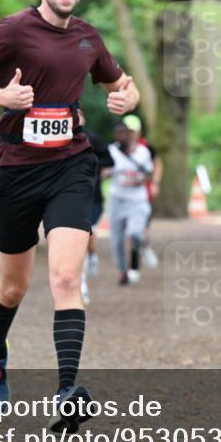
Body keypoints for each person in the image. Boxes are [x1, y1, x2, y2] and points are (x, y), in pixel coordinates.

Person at [0, 0, 140, 432]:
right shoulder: (11, 30)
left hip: (71, 165)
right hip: (15, 169)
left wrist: (125, 99)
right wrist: (1, 96)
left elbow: (123, 85)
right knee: (14, 286)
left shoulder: (88, 38)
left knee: (65, 278)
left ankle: (66, 392)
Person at [107, 121, 154, 285]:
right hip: (117, 200)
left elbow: (149, 173)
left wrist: (140, 179)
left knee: (135, 233)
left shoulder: (142, 152)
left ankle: (135, 265)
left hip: (137, 200)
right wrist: (104, 173)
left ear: (130, 134)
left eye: (124, 133)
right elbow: (104, 170)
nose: (121, 136)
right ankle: (123, 271)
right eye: (118, 133)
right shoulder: (111, 151)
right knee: (117, 241)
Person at [79, 109, 113, 306]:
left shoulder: (93, 138)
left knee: (88, 233)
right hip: (68, 197)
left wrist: (96, 167)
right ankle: (81, 283)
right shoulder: (58, 137)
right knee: (79, 238)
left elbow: (110, 159)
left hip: (93, 196)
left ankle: (92, 256)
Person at [121, 113, 161, 269]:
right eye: (128, 131)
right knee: (129, 229)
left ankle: (145, 248)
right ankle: (133, 261)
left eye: (133, 130)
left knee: (142, 227)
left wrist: (155, 183)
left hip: (142, 194)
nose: (131, 134)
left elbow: (157, 163)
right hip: (123, 195)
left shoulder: (146, 147)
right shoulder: (118, 147)